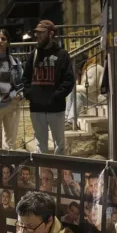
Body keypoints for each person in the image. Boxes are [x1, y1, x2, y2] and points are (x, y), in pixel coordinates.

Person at [22, 20, 75, 155]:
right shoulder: (33, 55)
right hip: (37, 108)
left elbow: (69, 80)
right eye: (36, 33)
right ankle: (44, 175)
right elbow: (25, 78)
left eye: (41, 33)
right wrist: (30, 94)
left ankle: (59, 175)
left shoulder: (62, 55)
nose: (37, 36)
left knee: (60, 145)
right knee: (41, 146)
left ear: (51, 34)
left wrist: (56, 96)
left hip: (55, 108)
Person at [65, 56, 105, 127]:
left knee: (78, 96)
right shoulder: (87, 69)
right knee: (72, 93)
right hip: (93, 96)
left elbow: (88, 88)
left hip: (101, 97)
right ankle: (66, 120)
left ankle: (71, 121)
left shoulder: (93, 69)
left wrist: (73, 87)